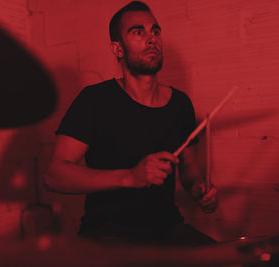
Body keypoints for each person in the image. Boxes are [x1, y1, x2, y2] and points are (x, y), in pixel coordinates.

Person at [45, 1, 218, 246]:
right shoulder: (95, 100)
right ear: (118, 49)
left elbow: (189, 170)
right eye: (138, 32)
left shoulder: (180, 103)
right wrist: (129, 177)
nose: (151, 39)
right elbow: (54, 176)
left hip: (167, 229)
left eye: (155, 31)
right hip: (107, 235)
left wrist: (201, 189)